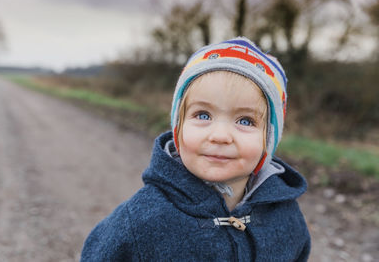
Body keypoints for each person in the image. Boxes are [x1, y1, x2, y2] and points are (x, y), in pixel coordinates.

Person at [80, 37, 310, 262]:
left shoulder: (286, 217)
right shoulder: (140, 222)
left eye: (245, 121)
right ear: (178, 126)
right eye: (203, 115)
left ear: (268, 139)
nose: (220, 136)